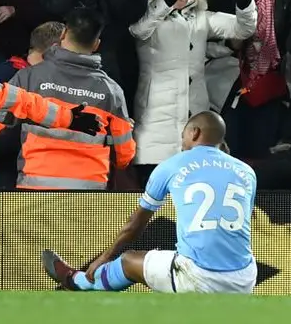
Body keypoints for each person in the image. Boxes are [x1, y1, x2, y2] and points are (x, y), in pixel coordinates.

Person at [40, 111, 258, 294]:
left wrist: (105, 258)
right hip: (245, 279)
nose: (182, 143)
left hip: (200, 277)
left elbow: (135, 226)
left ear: (195, 132)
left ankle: (76, 282)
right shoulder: (247, 172)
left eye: (183, 136)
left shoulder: (171, 166)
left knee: (128, 260)